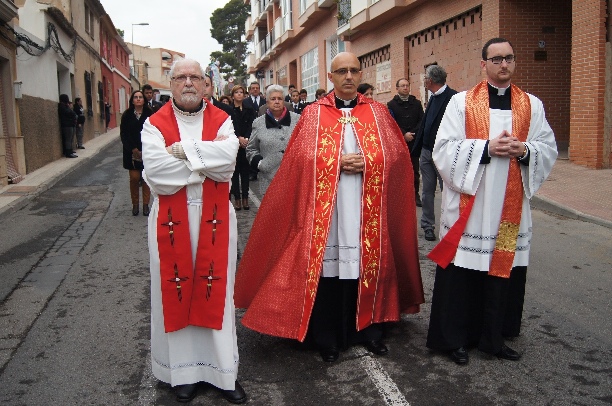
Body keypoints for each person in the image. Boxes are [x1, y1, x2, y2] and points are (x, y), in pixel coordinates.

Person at [234, 52, 424, 363]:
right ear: (331, 77)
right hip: (329, 211)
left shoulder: (377, 112)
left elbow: (399, 157)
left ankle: (370, 330)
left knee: (365, 264)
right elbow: (298, 161)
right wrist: (334, 163)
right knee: (330, 271)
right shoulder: (313, 114)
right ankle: (327, 335)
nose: (348, 76)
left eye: (353, 70)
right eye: (341, 71)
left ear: (360, 74)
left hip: (367, 208)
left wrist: (371, 162)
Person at [426, 38, 558, 366]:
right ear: (483, 64)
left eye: (509, 58)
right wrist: (486, 149)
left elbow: (548, 147)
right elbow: (442, 149)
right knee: (462, 271)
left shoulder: (532, 105)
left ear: (514, 62)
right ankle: (455, 339)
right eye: (496, 59)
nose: (503, 64)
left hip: (510, 209)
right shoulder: (461, 103)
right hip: (471, 207)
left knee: (503, 267)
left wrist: (525, 151)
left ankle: (493, 337)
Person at [140, 59, 247, 404]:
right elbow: (156, 173)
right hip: (171, 219)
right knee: (176, 290)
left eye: (194, 77)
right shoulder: (153, 125)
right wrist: (204, 166)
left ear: (206, 85)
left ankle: (223, 372)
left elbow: (229, 161)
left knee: (218, 289)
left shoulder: (223, 119)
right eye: (180, 77)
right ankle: (182, 373)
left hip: (214, 217)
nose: (188, 82)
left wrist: (183, 153)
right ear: (171, 84)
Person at [411, 65, 457, 241]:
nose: (424, 82)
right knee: (427, 191)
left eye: (425, 79)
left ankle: (450, 225)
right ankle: (427, 225)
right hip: (426, 153)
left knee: (448, 190)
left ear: (430, 80)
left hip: (444, 154)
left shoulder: (453, 98)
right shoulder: (432, 97)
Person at [246, 85, 299, 196]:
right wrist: (260, 164)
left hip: (293, 177)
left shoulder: (298, 119)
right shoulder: (258, 123)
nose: (276, 102)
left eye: (279, 99)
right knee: (270, 212)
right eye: (273, 99)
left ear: (284, 101)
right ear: (267, 101)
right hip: (268, 179)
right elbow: (251, 149)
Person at [387, 78, 424, 206]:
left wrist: (412, 134)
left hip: (414, 142)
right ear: (397, 88)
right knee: (400, 170)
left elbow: (422, 120)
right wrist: (403, 134)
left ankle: (415, 195)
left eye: (407, 85)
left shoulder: (417, 103)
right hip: (399, 142)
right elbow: (391, 122)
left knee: (415, 170)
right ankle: (402, 195)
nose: (405, 88)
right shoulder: (391, 104)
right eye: (402, 86)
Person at [120, 90, 153, 216]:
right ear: (132, 100)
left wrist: (147, 148)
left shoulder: (150, 114)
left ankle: (145, 205)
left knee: (145, 178)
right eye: (136, 97)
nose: (138, 99)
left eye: (140, 97)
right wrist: (133, 149)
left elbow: (154, 131)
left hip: (147, 150)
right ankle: (135, 204)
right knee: (134, 178)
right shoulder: (127, 115)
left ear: (144, 100)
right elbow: (124, 133)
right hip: (131, 151)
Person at [229, 85, 256, 211]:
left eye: (241, 92)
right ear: (233, 95)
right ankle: (237, 199)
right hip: (234, 144)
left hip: (246, 143)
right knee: (234, 173)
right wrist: (238, 137)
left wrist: (246, 137)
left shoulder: (249, 109)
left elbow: (252, 125)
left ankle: (245, 198)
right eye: (237, 92)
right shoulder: (229, 110)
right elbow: (230, 127)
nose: (239, 94)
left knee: (245, 173)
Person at [58, 94, 78, 158]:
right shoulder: (62, 106)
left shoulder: (65, 106)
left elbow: (72, 113)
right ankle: (68, 153)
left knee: (70, 139)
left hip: (70, 124)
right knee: (68, 139)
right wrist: (72, 113)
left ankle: (70, 150)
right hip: (67, 125)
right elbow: (70, 113)